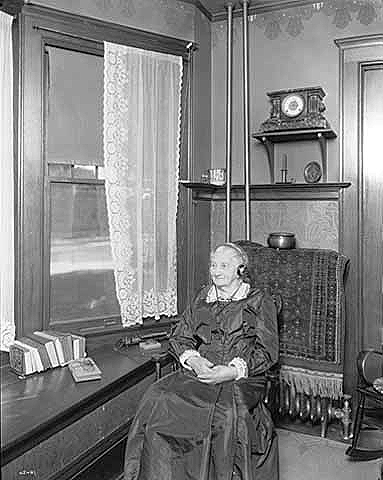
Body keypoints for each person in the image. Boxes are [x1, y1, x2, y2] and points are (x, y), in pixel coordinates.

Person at [124, 242, 279, 480]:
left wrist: (230, 371)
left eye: (224, 265)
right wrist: (194, 361)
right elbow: (180, 335)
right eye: (213, 265)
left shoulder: (258, 300)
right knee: (157, 397)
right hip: (202, 368)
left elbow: (267, 351)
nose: (216, 271)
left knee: (224, 414)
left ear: (240, 268)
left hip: (243, 374)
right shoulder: (203, 296)